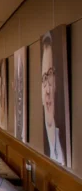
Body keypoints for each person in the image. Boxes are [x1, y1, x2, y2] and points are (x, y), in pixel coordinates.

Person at [40, 32, 65, 165]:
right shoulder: (44, 141)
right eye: (44, 79)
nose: (47, 90)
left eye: (50, 76)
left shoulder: (64, 142)